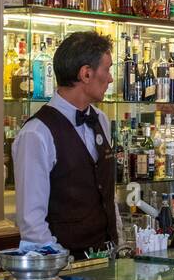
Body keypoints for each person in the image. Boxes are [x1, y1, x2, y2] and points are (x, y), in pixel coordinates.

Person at [12, 31, 119, 258]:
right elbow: (32, 224)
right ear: (86, 74)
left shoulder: (100, 120)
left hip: (109, 262)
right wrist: (63, 265)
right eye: (107, 69)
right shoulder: (37, 134)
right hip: (65, 272)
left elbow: (108, 197)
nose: (110, 79)